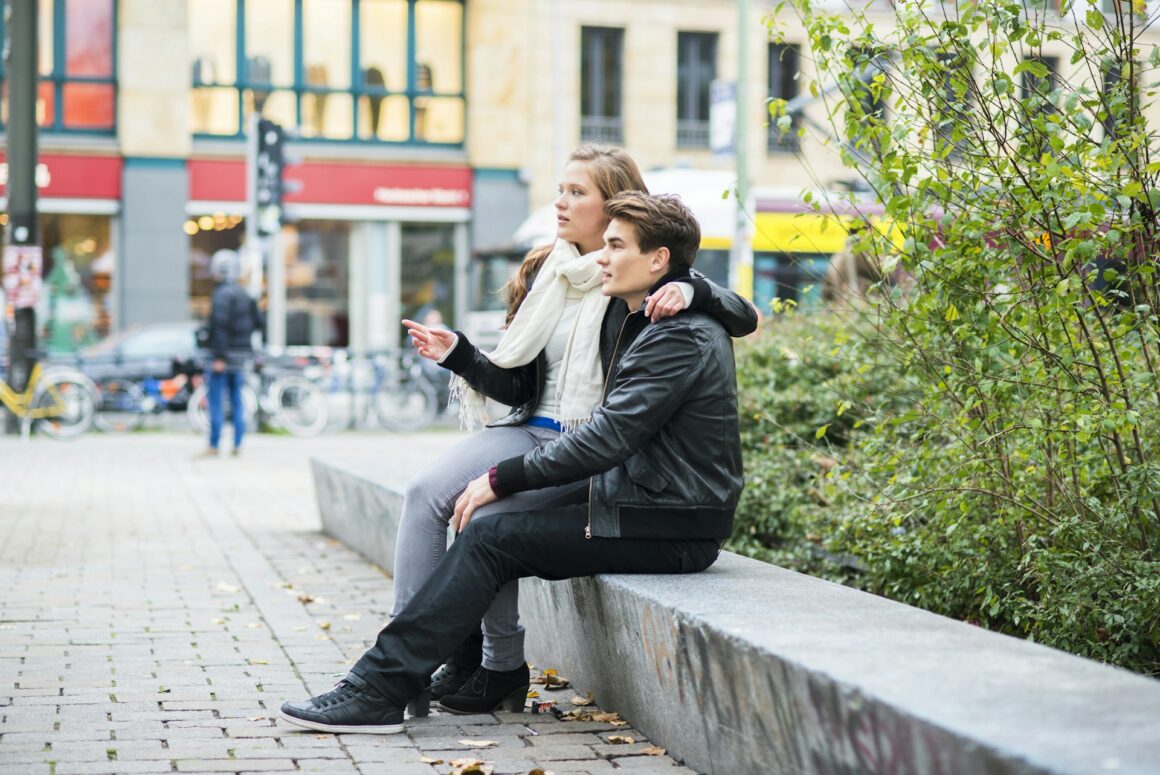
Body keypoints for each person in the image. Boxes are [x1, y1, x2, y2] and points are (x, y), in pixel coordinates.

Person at [280, 191, 744, 734]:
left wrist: (502, 476)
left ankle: (382, 687)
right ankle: (449, 670)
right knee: (489, 524)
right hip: (642, 496)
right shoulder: (644, 313)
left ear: (658, 260)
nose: (601, 257)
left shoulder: (678, 336)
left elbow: (606, 438)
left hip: (670, 521)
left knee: (493, 536)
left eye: (616, 246)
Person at [381, 145, 756, 714]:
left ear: (615, 207)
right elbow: (517, 384)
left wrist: (698, 290)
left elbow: (739, 313)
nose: (560, 202)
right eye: (560, 189)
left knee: (488, 515)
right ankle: (411, 663)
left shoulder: (635, 277)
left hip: (589, 445)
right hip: (531, 427)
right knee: (425, 492)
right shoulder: (545, 270)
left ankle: (493, 662)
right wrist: (460, 355)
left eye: (576, 192)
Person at [200, 249, 262, 457]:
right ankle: (237, 444)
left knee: (217, 400)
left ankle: (214, 444)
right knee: (237, 400)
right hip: (241, 356)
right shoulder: (245, 293)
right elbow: (259, 322)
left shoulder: (221, 295)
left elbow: (219, 326)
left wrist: (219, 356)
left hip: (223, 357)